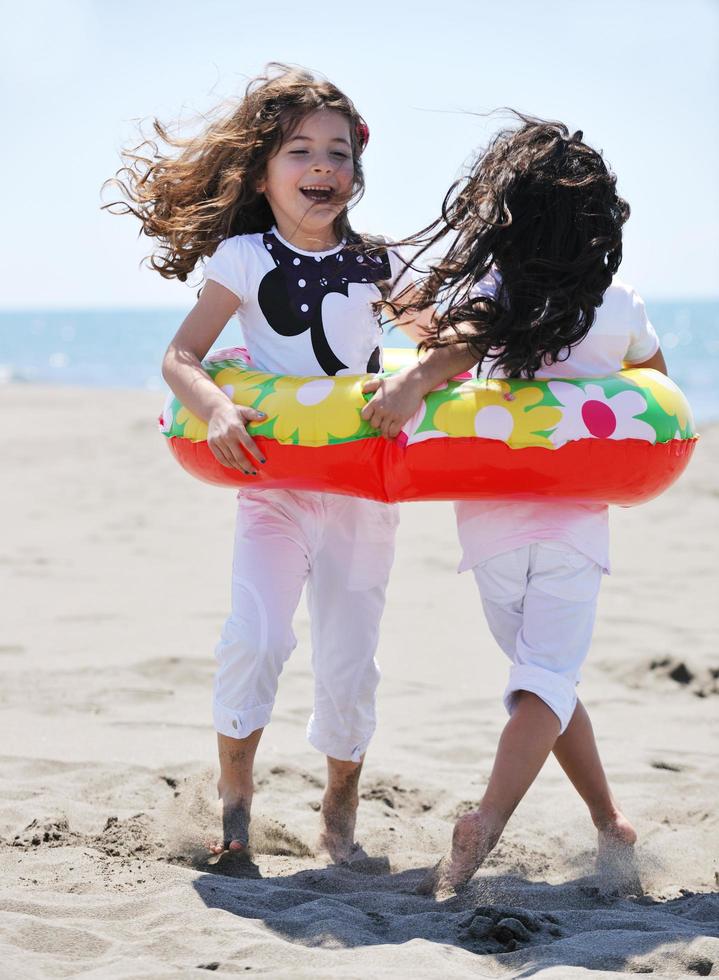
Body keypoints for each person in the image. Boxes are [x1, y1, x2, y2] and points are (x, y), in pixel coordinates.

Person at [106, 64, 414, 864]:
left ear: (357, 169)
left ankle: (338, 810)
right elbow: (180, 355)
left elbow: (450, 335)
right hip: (274, 488)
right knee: (257, 637)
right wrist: (214, 408)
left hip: (360, 494)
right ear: (263, 172)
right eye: (301, 151)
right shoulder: (244, 256)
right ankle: (235, 808)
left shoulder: (381, 262)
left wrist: (418, 378)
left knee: (350, 661)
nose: (324, 168)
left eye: (340, 153)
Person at [361, 117, 666, 893]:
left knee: (544, 680)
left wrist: (408, 380)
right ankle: (484, 823)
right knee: (544, 681)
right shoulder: (617, 302)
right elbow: (656, 392)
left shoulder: (490, 296)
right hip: (570, 526)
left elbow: (452, 345)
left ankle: (608, 821)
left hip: (489, 530)